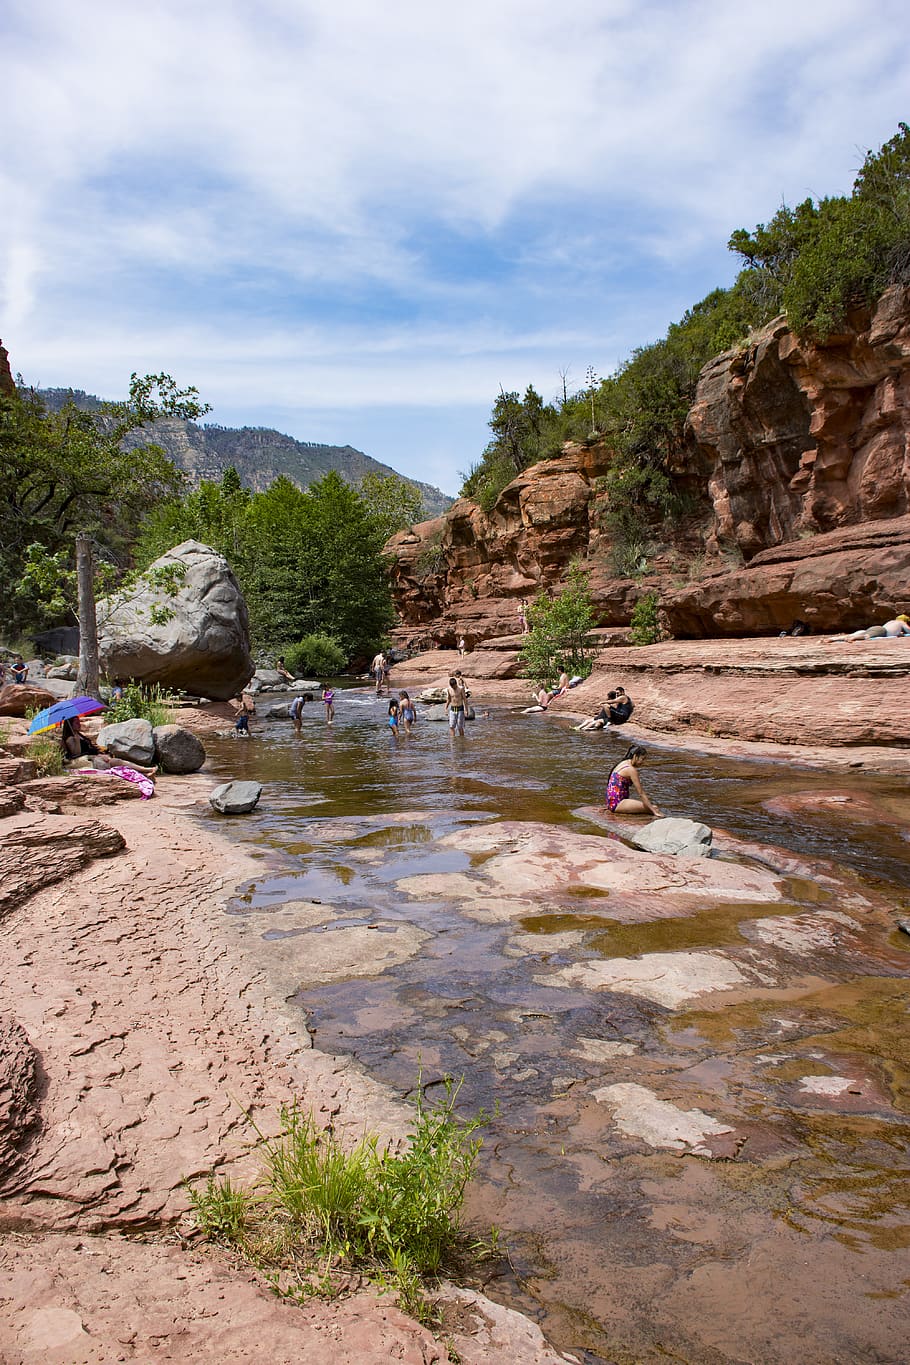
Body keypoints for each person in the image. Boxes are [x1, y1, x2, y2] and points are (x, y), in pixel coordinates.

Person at [60, 717, 157, 776]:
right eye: (76, 722)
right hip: (84, 760)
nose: (79, 724)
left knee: (117, 762)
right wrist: (76, 741)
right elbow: (77, 754)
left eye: (79, 721)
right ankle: (145, 769)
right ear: (70, 725)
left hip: (92, 757)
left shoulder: (79, 735)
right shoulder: (70, 739)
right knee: (118, 762)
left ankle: (144, 772)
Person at [604, 745, 662, 817]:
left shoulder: (622, 763)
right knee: (654, 808)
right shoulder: (631, 770)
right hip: (618, 803)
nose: (643, 762)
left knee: (651, 808)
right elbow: (641, 793)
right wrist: (654, 811)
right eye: (642, 759)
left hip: (611, 801)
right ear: (635, 756)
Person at [825, 615, 910, 642]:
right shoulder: (901, 622)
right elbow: (908, 631)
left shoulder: (891, 622)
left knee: (861, 633)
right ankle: (854, 638)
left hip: (878, 627)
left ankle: (833, 638)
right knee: (867, 636)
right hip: (883, 631)